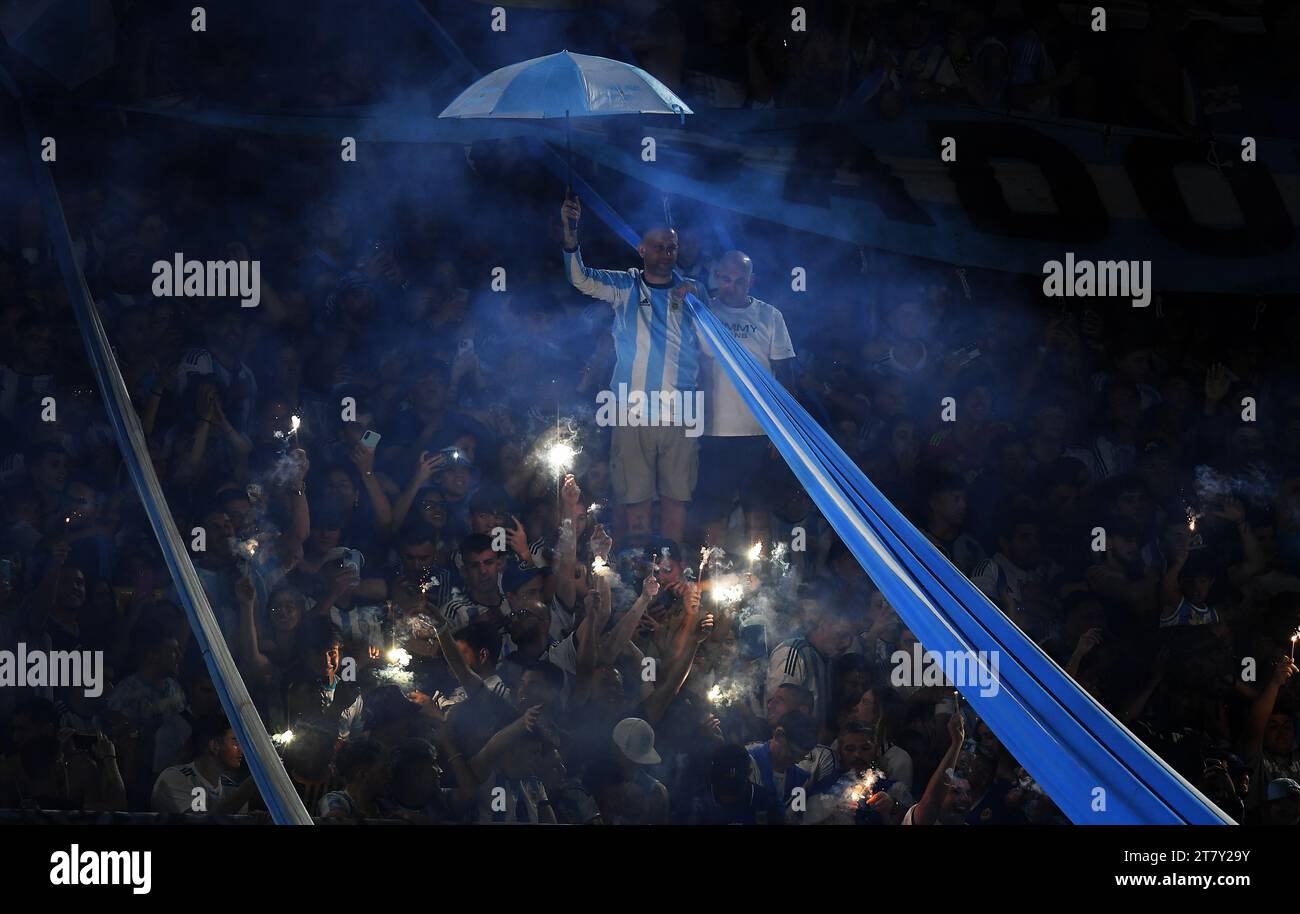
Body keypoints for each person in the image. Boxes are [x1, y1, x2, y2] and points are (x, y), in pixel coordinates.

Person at [561, 194, 701, 546]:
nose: (666, 252)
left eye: (671, 247)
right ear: (641, 250)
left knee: (676, 499)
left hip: (681, 412)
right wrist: (571, 232)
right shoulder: (626, 285)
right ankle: (637, 570)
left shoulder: (691, 294)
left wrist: (700, 303)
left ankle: (670, 573)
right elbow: (580, 278)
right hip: (630, 409)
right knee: (634, 499)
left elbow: (713, 347)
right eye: (658, 246)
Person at [696, 250, 795, 550]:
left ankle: (761, 585)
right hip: (714, 431)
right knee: (715, 514)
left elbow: (786, 376)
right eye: (726, 279)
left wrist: (782, 431)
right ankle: (710, 578)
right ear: (716, 278)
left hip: (759, 433)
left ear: (751, 281)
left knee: (759, 513)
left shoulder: (770, 315)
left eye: (740, 281)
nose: (732, 286)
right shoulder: (702, 313)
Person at [151, 716, 257, 815]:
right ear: (215, 746)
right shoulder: (175, 778)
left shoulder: (231, 788)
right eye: (235, 743)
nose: (241, 750)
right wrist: (253, 781)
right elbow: (201, 822)